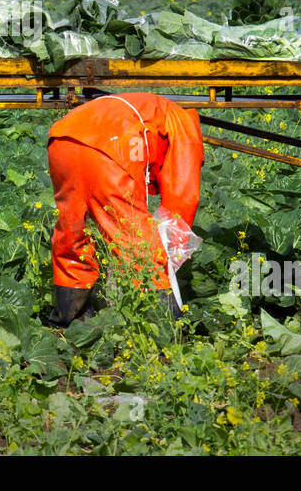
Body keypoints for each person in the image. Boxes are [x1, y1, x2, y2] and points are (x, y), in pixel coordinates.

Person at [45, 92, 203, 327]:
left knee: (73, 228)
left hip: (61, 138)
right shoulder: (183, 123)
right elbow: (184, 192)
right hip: (114, 144)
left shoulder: (150, 109)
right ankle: (159, 325)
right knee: (133, 235)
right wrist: (173, 249)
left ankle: (70, 316)